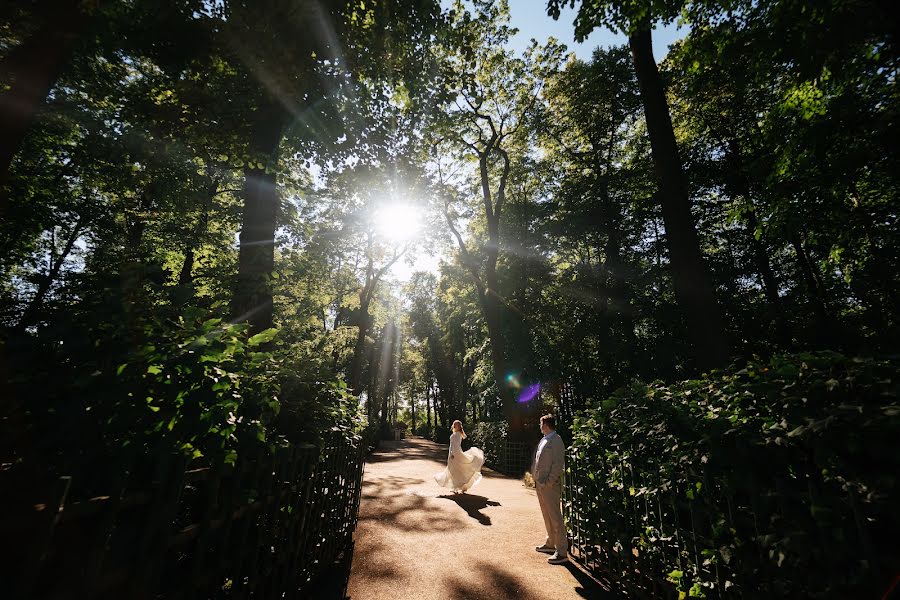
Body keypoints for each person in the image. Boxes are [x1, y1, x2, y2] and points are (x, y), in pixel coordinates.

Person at [533, 414, 568, 564]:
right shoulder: (544, 439)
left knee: (555, 517)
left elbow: (558, 464)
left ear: (546, 425)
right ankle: (550, 543)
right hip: (541, 484)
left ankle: (561, 552)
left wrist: (548, 482)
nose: (540, 426)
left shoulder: (556, 440)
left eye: (541, 424)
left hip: (549, 486)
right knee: (546, 515)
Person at [434, 420, 485, 493]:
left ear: (459, 426)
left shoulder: (457, 434)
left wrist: (453, 454)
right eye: (454, 424)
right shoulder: (456, 433)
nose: (455, 426)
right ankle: (458, 487)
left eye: (456, 425)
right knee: (455, 471)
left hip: (455, 454)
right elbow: (452, 445)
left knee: (456, 471)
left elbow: (457, 446)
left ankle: (458, 487)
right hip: (452, 453)